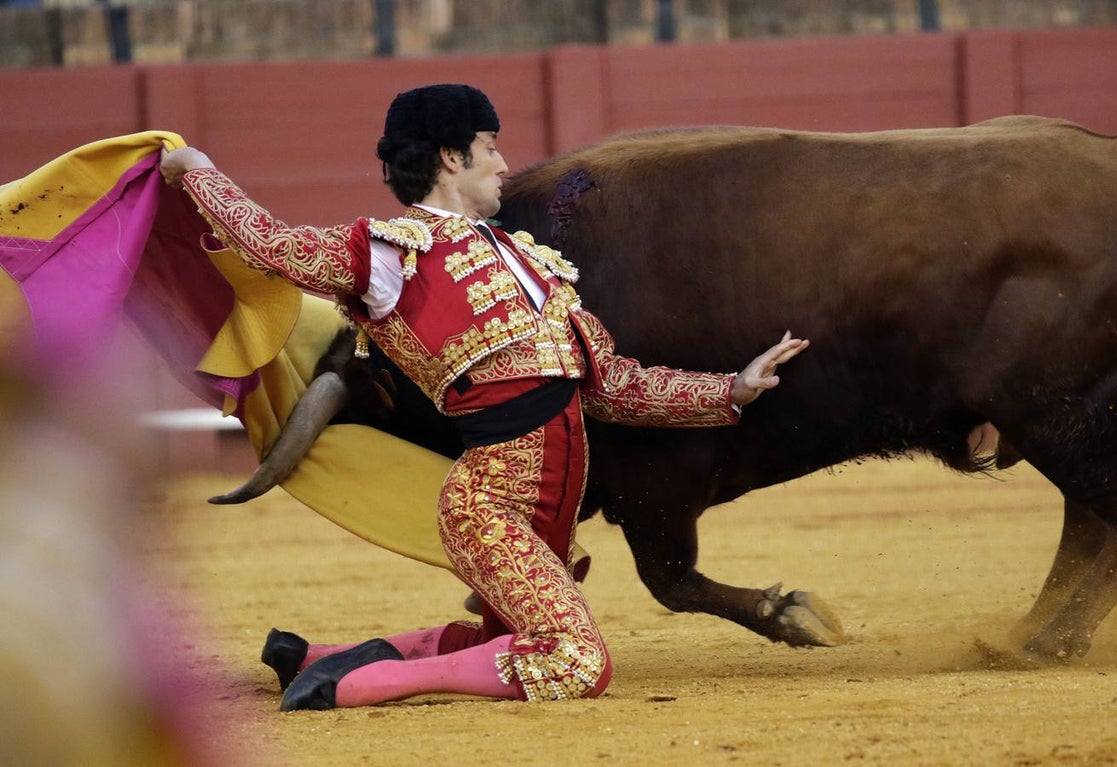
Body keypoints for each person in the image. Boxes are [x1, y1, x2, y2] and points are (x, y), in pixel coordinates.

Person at [160, 83, 809, 711]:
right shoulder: (390, 255)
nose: (503, 164)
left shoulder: (530, 262)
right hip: (489, 506)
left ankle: (312, 658)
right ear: (451, 157)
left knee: (498, 642)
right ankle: (356, 685)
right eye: (490, 147)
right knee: (574, 661)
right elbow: (273, 246)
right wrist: (198, 171)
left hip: (549, 515)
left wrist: (731, 389)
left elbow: (611, 385)